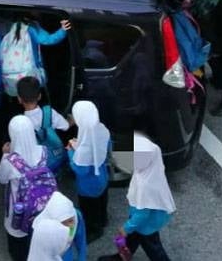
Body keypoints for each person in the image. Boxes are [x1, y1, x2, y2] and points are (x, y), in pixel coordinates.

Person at [97, 133, 175, 261]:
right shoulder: (151, 169)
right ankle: (122, 257)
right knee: (133, 237)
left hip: (145, 223)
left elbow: (142, 214)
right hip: (147, 218)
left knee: (153, 248)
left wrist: (127, 227)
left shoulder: (145, 186)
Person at [0, 115, 55, 261]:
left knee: (17, 243)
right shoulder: (43, 151)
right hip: (40, 206)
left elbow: (0, 178)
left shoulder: (11, 162)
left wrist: (5, 155)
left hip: (19, 210)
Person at [67, 100, 111, 241]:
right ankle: (103, 219)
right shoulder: (102, 129)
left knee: (89, 210)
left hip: (87, 187)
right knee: (102, 201)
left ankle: (94, 230)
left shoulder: (84, 148)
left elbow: (80, 169)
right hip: (102, 177)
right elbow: (107, 147)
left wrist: (71, 151)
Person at [30, 192, 87, 261]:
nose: (69, 227)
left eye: (70, 221)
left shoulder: (76, 216)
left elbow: (81, 241)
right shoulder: (42, 229)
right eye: (63, 223)